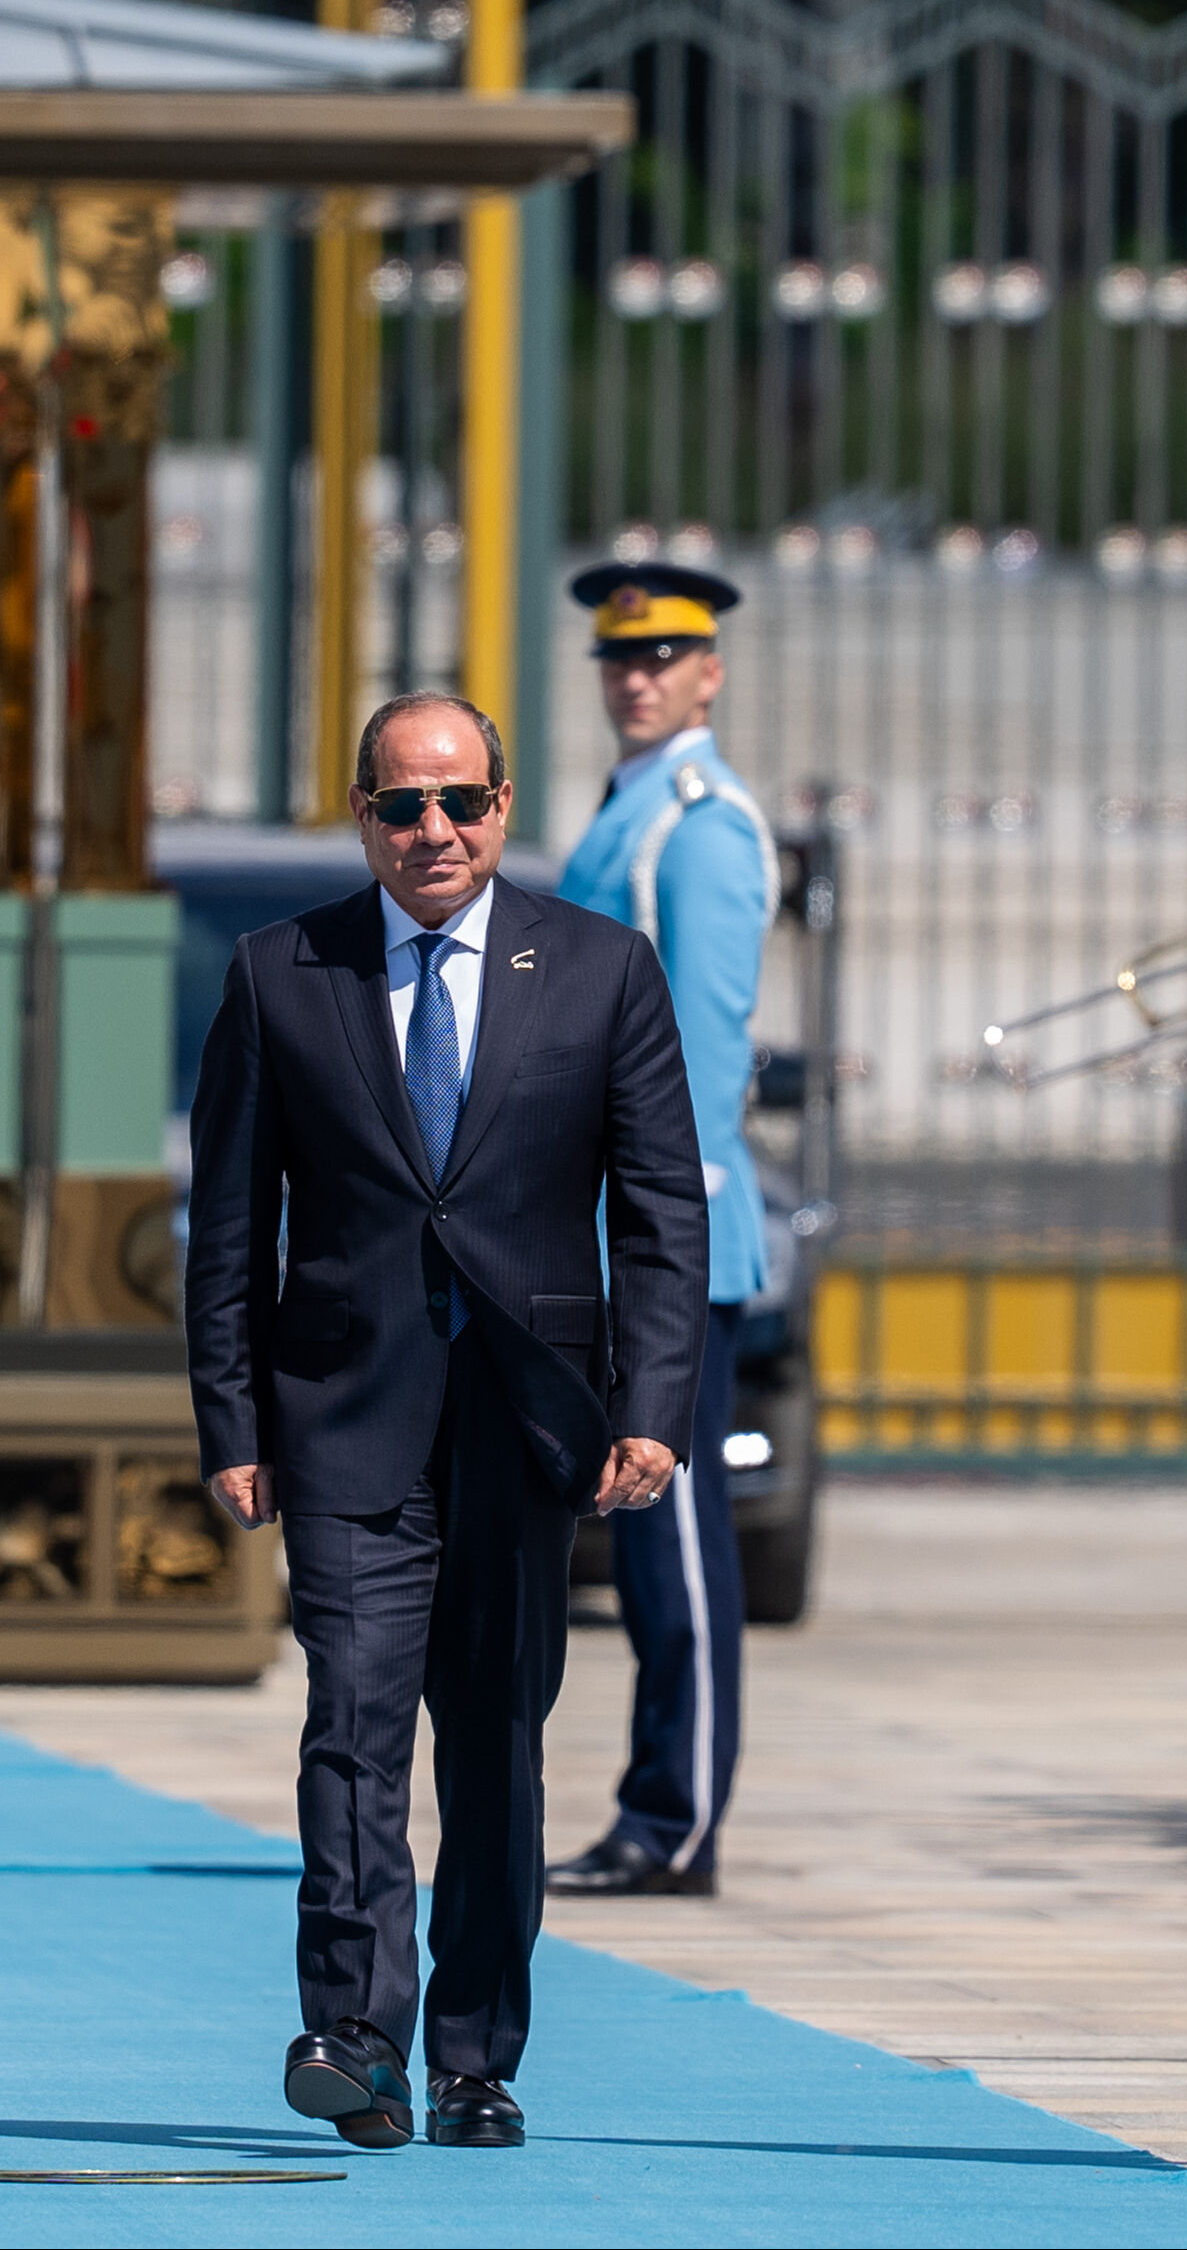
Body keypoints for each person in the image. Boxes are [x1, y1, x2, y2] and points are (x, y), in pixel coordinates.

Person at [191, 690, 706, 2155]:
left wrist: (651, 1405)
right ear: (364, 817)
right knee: (349, 1730)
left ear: (500, 805)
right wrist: (232, 1417)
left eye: (463, 802)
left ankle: (475, 2054)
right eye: (405, 805)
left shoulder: (602, 970)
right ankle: (356, 2038)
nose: (436, 830)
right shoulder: (280, 972)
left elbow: (661, 1210)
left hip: (529, 1428)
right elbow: (228, 1225)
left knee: (493, 1746)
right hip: (344, 1416)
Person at [544, 560, 779, 1903]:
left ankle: (677, 1818)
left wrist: (654, 1240)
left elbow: (696, 1049)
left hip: (658, 1238)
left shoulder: (698, 824)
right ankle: (653, 1803)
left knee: (673, 1534)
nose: (638, 676)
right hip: (601, 1229)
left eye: (665, 655)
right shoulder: (634, 808)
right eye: (621, 656)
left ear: (710, 672)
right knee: (638, 1544)